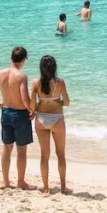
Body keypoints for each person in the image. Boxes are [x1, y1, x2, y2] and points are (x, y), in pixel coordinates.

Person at [0, 46, 34, 190]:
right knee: (21, 150)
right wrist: (31, 110)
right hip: (20, 115)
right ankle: (21, 182)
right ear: (23, 60)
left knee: (7, 148)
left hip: (6, 113)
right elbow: (24, 97)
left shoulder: (1, 74)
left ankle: (5, 181)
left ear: (11, 58)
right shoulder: (21, 76)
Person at [30, 55, 72, 196]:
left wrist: (37, 106)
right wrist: (57, 102)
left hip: (41, 119)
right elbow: (66, 102)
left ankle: (46, 188)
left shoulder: (35, 83)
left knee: (44, 155)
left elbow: (31, 105)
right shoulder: (60, 82)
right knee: (60, 155)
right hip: (57, 120)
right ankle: (63, 187)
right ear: (54, 67)